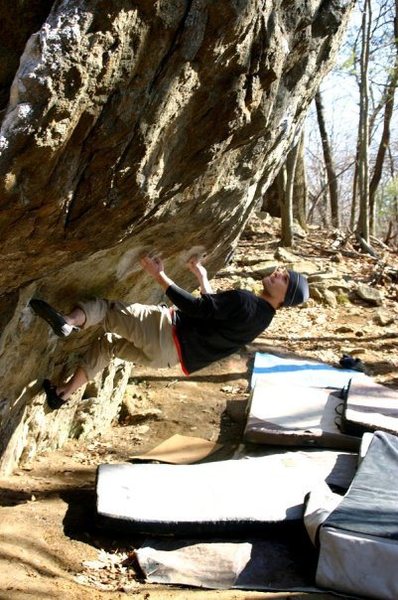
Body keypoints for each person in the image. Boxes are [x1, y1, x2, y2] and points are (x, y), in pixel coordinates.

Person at [29, 255, 309, 410]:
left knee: (107, 309)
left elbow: (196, 308)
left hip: (167, 332)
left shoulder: (247, 301)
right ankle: (63, 394)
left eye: (284, 279)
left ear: (284, 297)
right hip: (167, 357)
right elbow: (213, 312)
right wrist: (203, 278)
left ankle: (67, 322)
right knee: (109, 345)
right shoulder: (262, 318)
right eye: (282, 271)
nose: (278, 273)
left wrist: (158, 274)